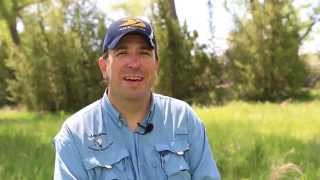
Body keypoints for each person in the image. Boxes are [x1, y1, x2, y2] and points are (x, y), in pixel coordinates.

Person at [53, 17, 220, 180]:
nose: (134, 64)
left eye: (144, 52)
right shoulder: (74, 135)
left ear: (156, 65)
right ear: (104, 67)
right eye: (122, 52)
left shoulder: (183, 119)